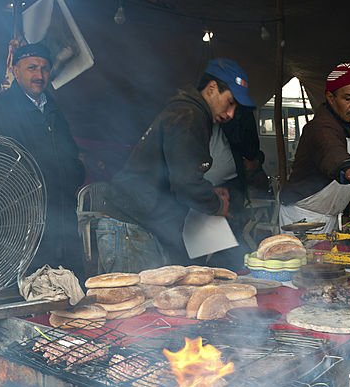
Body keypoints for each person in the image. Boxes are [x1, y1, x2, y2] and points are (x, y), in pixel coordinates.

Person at [97, 58, 253, 271]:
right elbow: (185, 182)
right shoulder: (189, 115)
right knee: (136, 303)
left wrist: (209, 192)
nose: (231, 114)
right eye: (230, 102)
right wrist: (216, 205)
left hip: (137, 225)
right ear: (212, 88)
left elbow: (178, 174)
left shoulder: (187, 113)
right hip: (129, 227)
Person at [0, 42, 86, 275]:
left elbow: (71, 154)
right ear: (15, 71)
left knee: (71, 293)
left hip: (62, 217)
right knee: (31, 289)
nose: (39, 75)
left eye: (44, 69)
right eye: (32, 68)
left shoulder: (53, 109)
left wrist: (73, 178)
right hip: (22, 224)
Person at [280, 63, 350, 233]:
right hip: (302, 218)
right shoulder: (320, 127)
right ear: (331, 98)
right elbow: (331, 149)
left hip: (331, 218)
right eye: (348, 98)